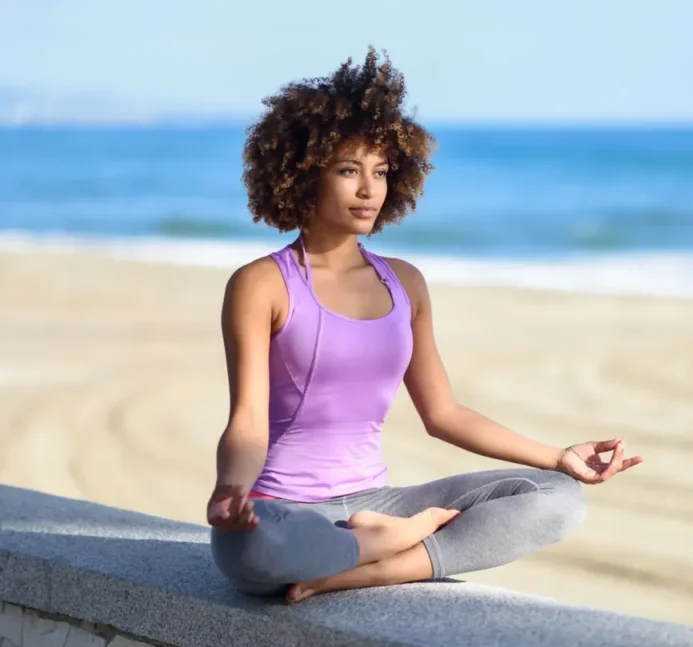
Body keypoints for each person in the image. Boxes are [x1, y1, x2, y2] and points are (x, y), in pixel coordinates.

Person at [206, 48, 643, 605]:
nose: (370, 189)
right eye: (348, 171)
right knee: (249, 554)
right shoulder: (262, 284)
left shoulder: (405, 284)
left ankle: (370, 564)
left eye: (382, 172)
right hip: (287, 511)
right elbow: (247, 420)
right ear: (302, 175)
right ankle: (381, 546)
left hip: (378, 502)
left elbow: (444, 414)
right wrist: (231, 491)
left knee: (557, 499)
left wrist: (558, 457)